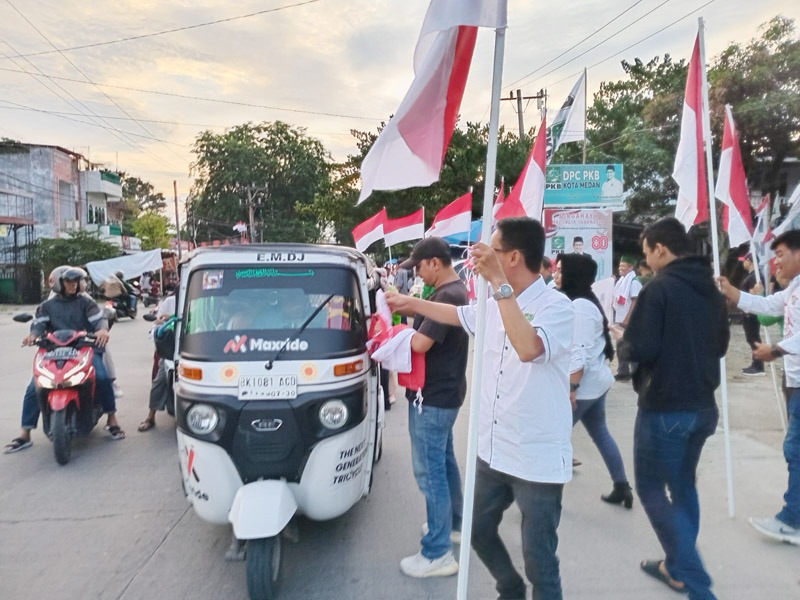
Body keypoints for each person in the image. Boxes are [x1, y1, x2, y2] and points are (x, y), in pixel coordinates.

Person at [387, 217, 574, 599]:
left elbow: (528, 349)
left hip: (535, 457)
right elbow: (459, 316)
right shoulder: (492, 301)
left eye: (492, 250)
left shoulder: (557, 307)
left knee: (540, 559)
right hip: (493, 449)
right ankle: (509, 586)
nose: (481, 256)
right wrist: (409, 303)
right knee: (476, 529)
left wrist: (499, 287)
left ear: (514, 257)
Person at [616, 217, 729, 597]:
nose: (645, 262)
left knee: (650, 488)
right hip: (702, 408)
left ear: (661, 248)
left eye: (646, 254)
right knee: (682, 486)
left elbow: (639, 348)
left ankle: (695, 581)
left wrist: (621, 339)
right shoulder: (712, 291)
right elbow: (721, 345)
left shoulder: (659, 289)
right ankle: (678, 566)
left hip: (665, 407)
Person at [385, 236, 470, 578]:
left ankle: (437, 552)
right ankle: (452, 525)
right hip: (442, 393)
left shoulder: (449, 295)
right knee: (444, 463)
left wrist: (393, 337)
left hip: (433, 396)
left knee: (430, 472)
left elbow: (420, 343)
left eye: (419, 267)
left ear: (435, 262)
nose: (417, 273)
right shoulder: (450, 292)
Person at [718, 230, 800, 546]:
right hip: (792, 380)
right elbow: (766, 303)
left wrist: (775, 350)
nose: (775, 261)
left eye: (780, 254)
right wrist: (733, 292)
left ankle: (792, 521)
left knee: (795, 451)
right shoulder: (793, 289)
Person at [3, 267, 124, 453]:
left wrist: (102, 330)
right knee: (34, 386)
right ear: (59, 283)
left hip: (83, 348)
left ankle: (112, 419)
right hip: (53, 350)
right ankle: (24, 433)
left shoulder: (86, 302)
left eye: (76, 282)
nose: (73, 285)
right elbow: (38, 324)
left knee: (100, 376)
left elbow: (99, 321)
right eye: (68, 282)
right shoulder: (47, 306)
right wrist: (33, 336)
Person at [560, 253, 633, 508]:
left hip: (584, 388)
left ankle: (542, 500)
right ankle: (622, 486)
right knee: (600, 433)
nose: (556, 275)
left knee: (552, 439)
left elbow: (578, 352)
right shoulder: (583, 301)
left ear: (573, 275)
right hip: (596, 383)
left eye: (560, 271)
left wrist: (571, 387)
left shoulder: (579, 306)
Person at [138, 283, 177, 432]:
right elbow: (157, 323)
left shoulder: (200, 301)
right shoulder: (170, 302)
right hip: (171, 348)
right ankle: (151, 416)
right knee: (160, 379)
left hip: (194, 347)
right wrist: (164, 320)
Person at [612, 255, 642, 381]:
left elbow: (635, 302)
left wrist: (627, 319)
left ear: (631, 267)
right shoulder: (621, 281)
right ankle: (623, 371)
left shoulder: (634, 281)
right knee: (621, 345)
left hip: (629, 320)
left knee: (631, 346)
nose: (620, 268)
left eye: (623, 266)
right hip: (620, 318)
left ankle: (637, 373)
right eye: (620, 265)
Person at [737, 253, 765, 376]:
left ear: (749, 261)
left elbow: (754, 292)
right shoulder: (750, 275)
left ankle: (758, 365)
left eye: (744, 260)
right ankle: (756, 363)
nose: (743, 263)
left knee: (753, 337)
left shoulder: (755, 276)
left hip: (751, 312)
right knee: (751, 338)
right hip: (747, 311)